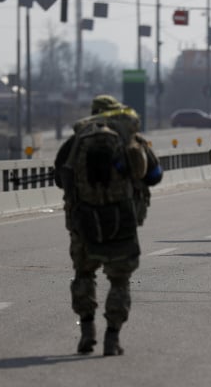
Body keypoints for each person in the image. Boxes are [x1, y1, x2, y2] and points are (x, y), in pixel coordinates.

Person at [54, 95, 162, 356]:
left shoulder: (76, 142)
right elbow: (154, 176)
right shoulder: (129, 139)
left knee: (83, 275)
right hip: (121, 221)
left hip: (83, 222)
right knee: (119, 281)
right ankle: (112, 338)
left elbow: (61, 179)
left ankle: (87, 330)